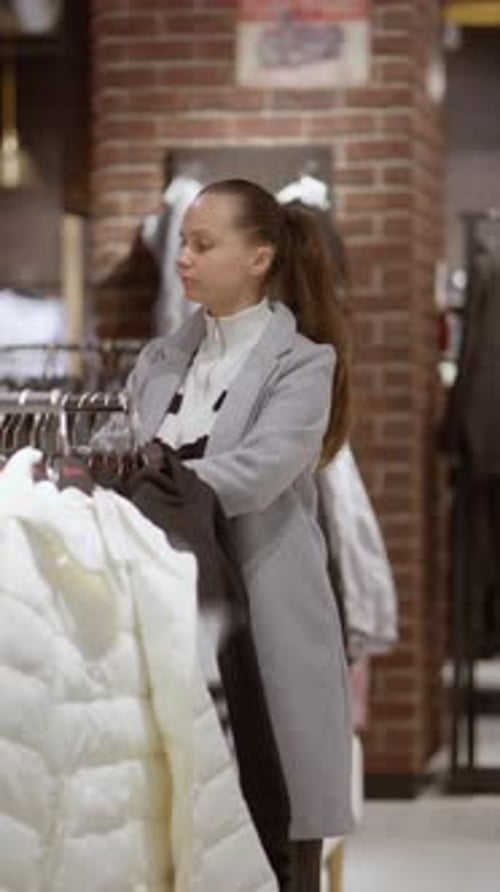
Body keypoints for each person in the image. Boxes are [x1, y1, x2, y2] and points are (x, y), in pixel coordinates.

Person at [123, 178, 353, 891]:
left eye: (202, 244)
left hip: (267, 624)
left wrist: (153, 488)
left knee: (277, 832)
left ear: (258, 258)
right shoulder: (158, 361)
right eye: (183, 243)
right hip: (175, 627)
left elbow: (258, 471)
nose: (183, 258)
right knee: (190, 833)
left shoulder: (305, 364)